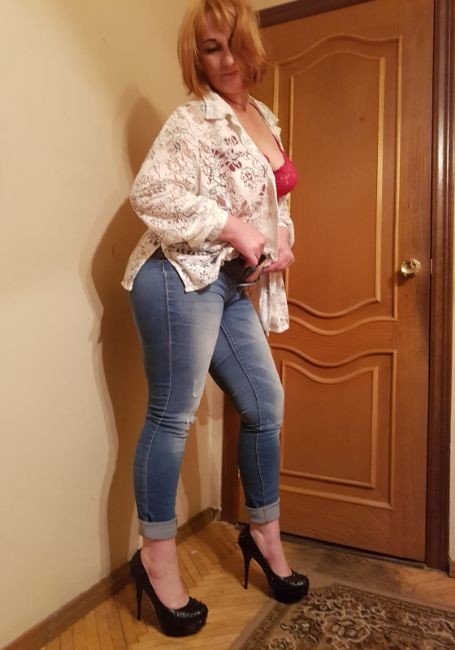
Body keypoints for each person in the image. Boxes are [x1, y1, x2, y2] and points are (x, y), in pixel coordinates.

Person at [122, 0, 309, 637]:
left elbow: (273, 201)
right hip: (176, 275)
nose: (226, 59)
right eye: (210, 48)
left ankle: (263, 536)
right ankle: (155, 560)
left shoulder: (263, 116)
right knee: (171, 415)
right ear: (196, 57)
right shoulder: (192, 120)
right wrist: (233, 227)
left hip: (229, 285)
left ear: (253, 44)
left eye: (233, 43)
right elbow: (151, 192)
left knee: (265, 405)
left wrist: (282, 238)